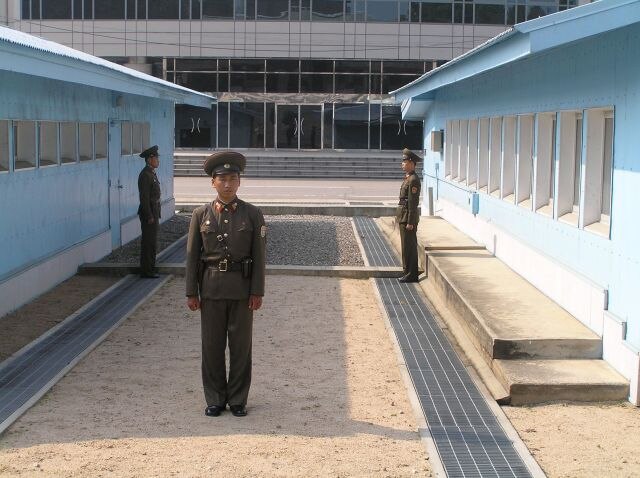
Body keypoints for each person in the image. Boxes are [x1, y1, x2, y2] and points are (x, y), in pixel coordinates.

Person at [185, 151, 266, 418]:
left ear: (240, 182)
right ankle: (215, 398)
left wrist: (257, 291)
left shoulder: (253, 215)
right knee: (212, 347)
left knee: (241, 347)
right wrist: (191, 291)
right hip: (211, 289)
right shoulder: (200, 215)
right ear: (213, 182)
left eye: (233, 179)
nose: (228, 184)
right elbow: (192, 257)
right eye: (222, 179)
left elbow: (259, 257)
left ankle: (238, 399)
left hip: (242, 290)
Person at [396, 148, 421, 283]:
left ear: (411, 163)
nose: (402, 164)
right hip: (403, 216)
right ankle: (407, 272)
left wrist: (410, 221)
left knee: (410, 246)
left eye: (404, 161)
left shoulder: (413, 180)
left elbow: (412, 202)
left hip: (408, 218)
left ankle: (412, 274)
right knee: (405, 246)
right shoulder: (408, 178)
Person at [138, 145, 161, 278]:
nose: (158, 160)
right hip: (149, 214)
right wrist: (149, 215)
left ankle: (151, 268)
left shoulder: (151, 173)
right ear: (149, 159)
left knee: (152, 242)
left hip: (153, 212)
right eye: (156, 158)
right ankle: (147, 270)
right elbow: (144, 197)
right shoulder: (145, 175)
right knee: (148, 243)